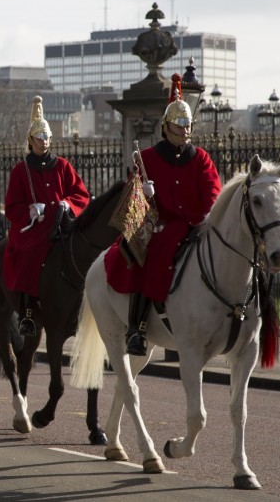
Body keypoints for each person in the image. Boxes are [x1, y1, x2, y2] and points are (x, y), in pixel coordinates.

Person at [104, 74, 221, 356]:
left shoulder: (201, 158)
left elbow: (213, 192)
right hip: (161, 225)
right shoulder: (148, 158)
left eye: (187, 124)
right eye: (178, 125)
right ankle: (138, 327)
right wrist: (143, 192)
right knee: (153, 253)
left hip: (197, 224)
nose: (184, 130)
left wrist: (206, 218)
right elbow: (132, 203)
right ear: (165, 127)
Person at [3, 96, 90, 337]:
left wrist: (67, 203)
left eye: (47, 138)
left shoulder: (62, 165)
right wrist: (30, 211)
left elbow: (81, 194)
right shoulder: (21, 171)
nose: (44, 142)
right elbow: (12, 207)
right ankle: (28, 311)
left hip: (62, 224)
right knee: (30, 252)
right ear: (31, 140)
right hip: (34, 228)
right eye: (39, 138)